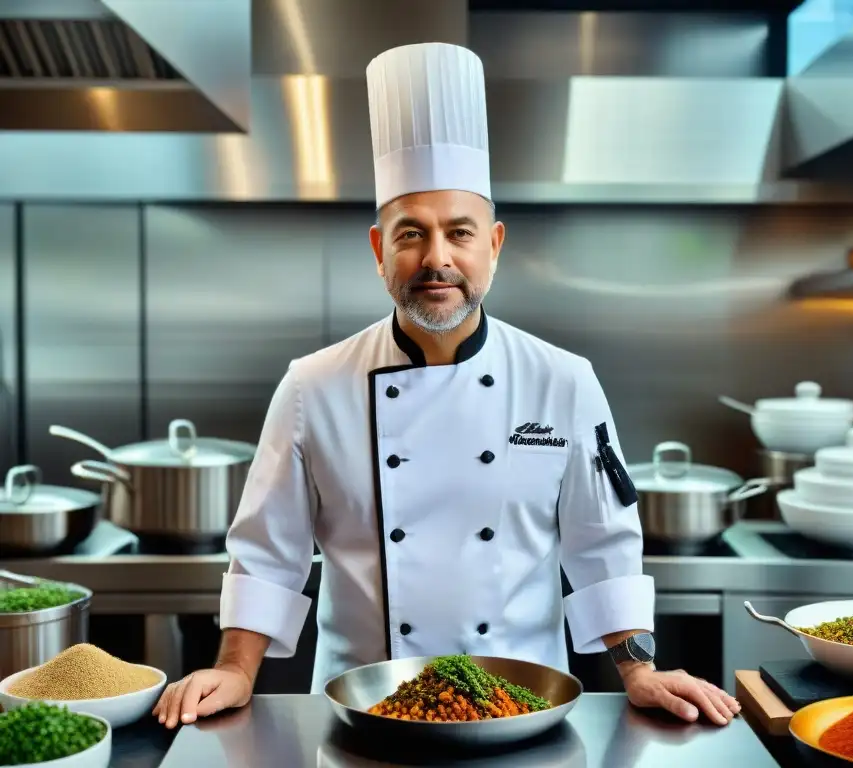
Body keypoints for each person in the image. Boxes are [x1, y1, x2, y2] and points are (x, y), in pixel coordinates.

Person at [153, 42, 739, 730]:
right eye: (412, 234)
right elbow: (267, 554)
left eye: (459, 233)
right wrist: (233, 669)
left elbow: (601, 543)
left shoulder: (564, 382)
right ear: (379, 251)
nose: (437, 259)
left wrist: (639, 668)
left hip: (522, 709)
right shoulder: (313, 387)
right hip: (359, 710)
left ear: (493, 244)